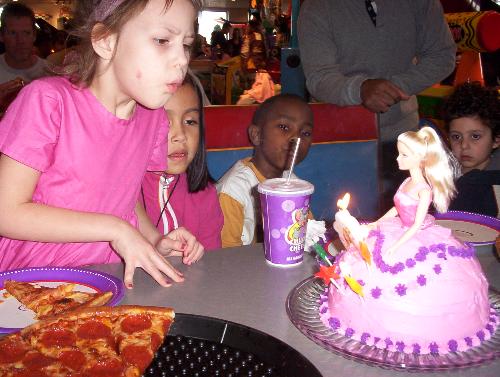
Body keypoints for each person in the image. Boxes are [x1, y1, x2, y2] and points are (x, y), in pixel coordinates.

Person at [0, 0, 204, 289]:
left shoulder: (151, 117)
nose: (182, 60)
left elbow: (124, 197)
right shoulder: (49, 102)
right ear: (105, 41)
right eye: (162, 40)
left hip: (104, 280)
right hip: (30, 283)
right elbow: (6, 212)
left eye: (185, 44)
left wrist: (154, 240)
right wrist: (115, 229)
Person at [298, 0, 457, 211]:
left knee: (405, 212)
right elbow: (319, 77)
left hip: (401, 133)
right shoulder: (318, 6)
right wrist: (360, 89)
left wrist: (394, 87)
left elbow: (442, 56)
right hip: (341, 136)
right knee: (341, 217)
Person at [336, 127, 460, 259]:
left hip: (414, 236)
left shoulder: (424, 191)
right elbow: (397, 208)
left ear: (420, 158)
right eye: (399, 153)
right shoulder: (407, 181)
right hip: (398, 226)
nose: (397, 158)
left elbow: (417, 225)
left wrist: (396, 246)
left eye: (404, 155)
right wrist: (376, 223)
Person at [216, 94, 313, 247]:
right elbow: (225, 258)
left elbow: (308, 237)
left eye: (305, 133)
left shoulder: (293, 183)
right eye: (284, 127)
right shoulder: (233, 191)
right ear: (256, 135)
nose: (296, 139)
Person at [141, 74, 223, 250]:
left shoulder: (204, 196)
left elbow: (212, 265)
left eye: (190, 121)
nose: (180, 135)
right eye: (165, 121)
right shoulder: (122, 193)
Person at [443, 82, 500, 217]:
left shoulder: (495, 186)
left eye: (475, 136)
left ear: (496, 140)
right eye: (456, 136)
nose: (464, 145)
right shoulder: (439, 173)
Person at [0, 2, 48, 84]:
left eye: (26, 33)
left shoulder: (48, 72)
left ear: (34, 35)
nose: (20, 41)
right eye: (13, 33)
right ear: (1, 36)